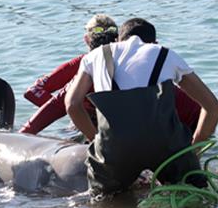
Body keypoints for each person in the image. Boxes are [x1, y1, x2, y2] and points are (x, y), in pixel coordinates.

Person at [65, 18, 218, 196]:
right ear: (154, 43)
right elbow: (213, 107)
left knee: (107, 201)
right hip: (166, 146)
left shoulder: (93, 56)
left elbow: (72, 105)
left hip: (114, 150)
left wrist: (96, 139)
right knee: (194, 193)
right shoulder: (165, 54)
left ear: (118, 40)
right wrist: (195, 150)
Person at [20, 15, 202, 135]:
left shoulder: (91, 62)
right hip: (153, 133)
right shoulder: (160, 61)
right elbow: (207, 108)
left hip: (121, 133)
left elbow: (65, 103)